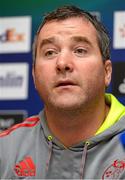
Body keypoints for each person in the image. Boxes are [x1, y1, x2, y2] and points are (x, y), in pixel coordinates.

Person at [0, 5, 125, 179]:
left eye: (80, 50)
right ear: (34, 76)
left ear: (107, 72)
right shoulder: (5, 150)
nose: (62, 63)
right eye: (50, 52)